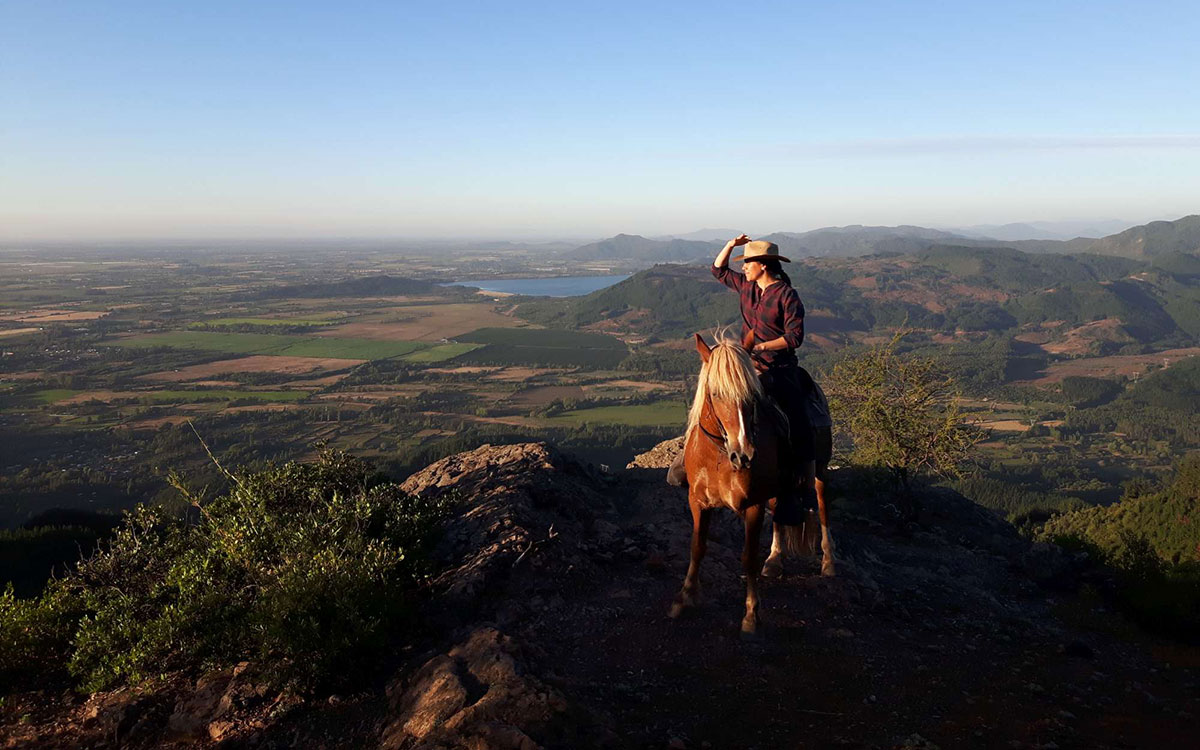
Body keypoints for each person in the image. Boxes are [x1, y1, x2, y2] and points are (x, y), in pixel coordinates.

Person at [667, 234, 820, 526]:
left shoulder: (787, 296)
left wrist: (760, 347)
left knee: (798, 420)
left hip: (778, 368)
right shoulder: (747, 287)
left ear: (763, 265)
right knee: (712, 398)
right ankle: (686, 461)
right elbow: (718, 270)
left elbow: (794, 338)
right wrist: (730, 245)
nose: (744, 267)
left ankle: (803, 489)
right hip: (745, 366)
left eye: (748, 262)